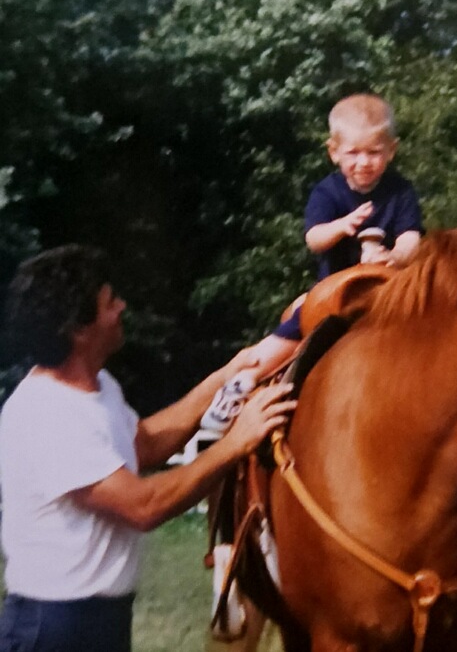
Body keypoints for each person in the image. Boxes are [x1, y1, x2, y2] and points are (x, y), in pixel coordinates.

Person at [0, 244, 295, 652]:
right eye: (109, 302)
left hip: (98, 621)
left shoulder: (98, 388)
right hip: (53, 628)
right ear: (78, 329)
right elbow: (143, 506)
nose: (122, 307)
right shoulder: (48, 412)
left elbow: (145, 442)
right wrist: (236, 442)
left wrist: (225, 375)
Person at [200, 92, 424, 432]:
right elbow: (314, 238)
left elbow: (412, 239)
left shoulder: (401, 191)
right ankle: (245, 378)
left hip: (387, 292)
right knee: (299, 325)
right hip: (336, 293)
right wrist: (341, 226)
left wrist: (393, 256)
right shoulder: (327, 192)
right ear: (334, 152)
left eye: (374, 152)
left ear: (391, 150)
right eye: (353, 153)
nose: (364, 162)